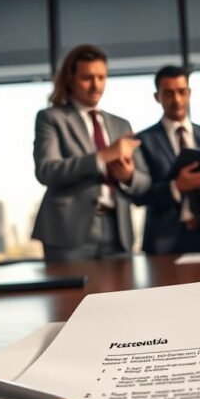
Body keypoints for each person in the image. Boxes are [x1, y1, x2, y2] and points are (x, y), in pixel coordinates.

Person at [31, 44, 150, 261]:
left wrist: (128, 176)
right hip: (67, 232)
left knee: (120, 295)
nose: (96, 86)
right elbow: (46, 170)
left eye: (101, 77)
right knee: (71, 296)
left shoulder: (121, 125)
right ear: (70, 79)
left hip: (118, 232)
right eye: (87, 77)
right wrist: (103, 156)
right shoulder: (51, 118)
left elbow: (144, 182)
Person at [134, 66, 200, 254]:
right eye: (169, 93)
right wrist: (176, 187)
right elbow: (140, 195)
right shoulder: (143, 141)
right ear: (157, 97)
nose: (177, 100)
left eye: (182, 92)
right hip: (164, 240)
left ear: (189, 93)